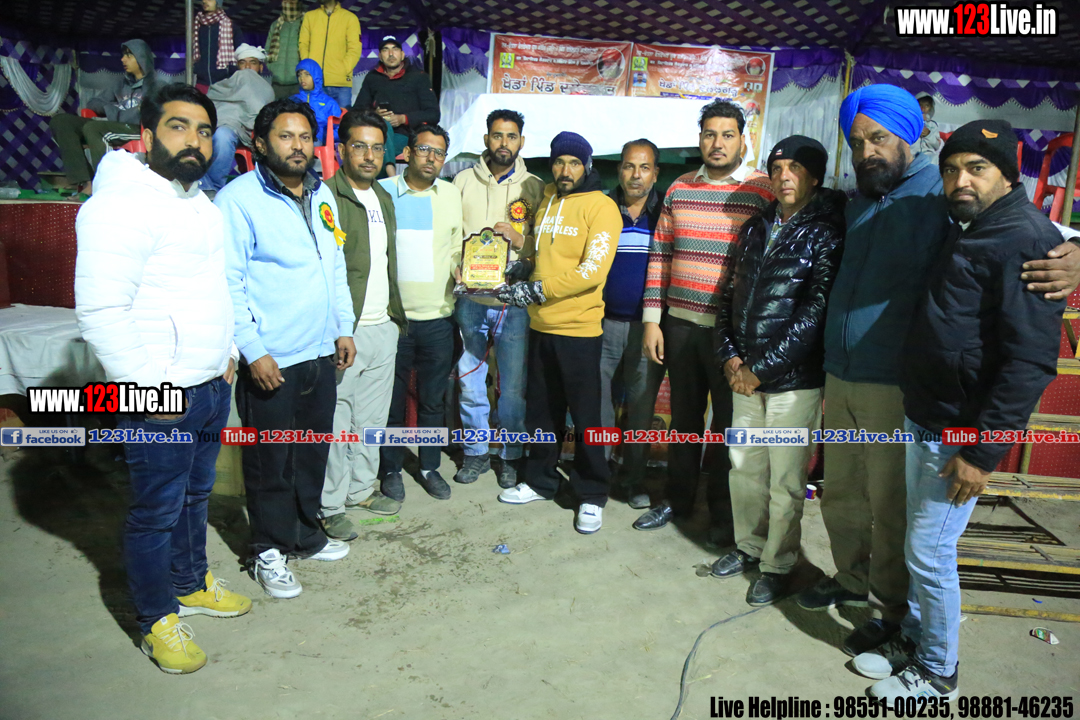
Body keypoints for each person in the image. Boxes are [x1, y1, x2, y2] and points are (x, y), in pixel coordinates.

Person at [798, 83, 1080, 661]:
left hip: (895, 383)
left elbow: (1027, 234)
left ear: (909, 136)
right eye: (857, 142)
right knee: (840, 492)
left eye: (879, 138)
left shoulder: (941, 195)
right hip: (841, 372)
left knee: (893, 509)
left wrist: (1077, 255)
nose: (868, 151)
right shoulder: (856, 199)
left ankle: (890, 609)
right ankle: (850, 580)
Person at [852, 120, 1067, 699]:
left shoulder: (1026, 239)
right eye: (951, 170)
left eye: (977, 169)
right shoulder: (973, 225)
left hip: (961, 434)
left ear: (1008, 175)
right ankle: (917, 640)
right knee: (919, 548)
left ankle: (938, 671)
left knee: (930, 551)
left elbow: (1029, 362)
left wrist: (982, 452)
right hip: (928, 415)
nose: (960, 181)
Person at [75, 83, 250, 674]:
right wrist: (150, 389)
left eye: (204, 131)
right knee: (155, 511)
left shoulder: (199, 203)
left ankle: (190, 582)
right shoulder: (121, 205)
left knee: (195, 496)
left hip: (209, 384)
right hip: (159, 394)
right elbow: (101, 312)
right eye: (178, 127)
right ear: (146, 136)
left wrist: (226, 352)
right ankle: (155, 619)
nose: (193, 141)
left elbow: (213, 288)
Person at [216, 98, 357, 599]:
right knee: (269, 461)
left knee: (311, 452)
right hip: (272, 358)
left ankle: (304, 535)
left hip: (319, 352)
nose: (297, 146)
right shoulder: (237, 200)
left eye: (304, 137)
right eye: (285, 136)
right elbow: (228, 282)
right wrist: (253, 350)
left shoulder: (322, 193)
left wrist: (343, 327)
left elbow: (333, 263)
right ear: (260, 143)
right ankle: (267, 549)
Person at [712, 136, 845, 607]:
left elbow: (816, 312)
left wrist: (761, 369)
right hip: (744, 377)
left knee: (786, 482)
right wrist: (730, 357)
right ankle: (749, 546)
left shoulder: (826, 232)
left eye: (795, 168)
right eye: (777, 167)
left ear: (815, 176)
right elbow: (729, 296)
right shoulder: (756, 226)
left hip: (793, 382)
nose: (784, 176)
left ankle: (777, 564)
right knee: (744, 468)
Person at [634, 99, 774, 541]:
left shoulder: (762, 190)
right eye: (710, 134)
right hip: (678, 325)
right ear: (700, 139)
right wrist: (652, 320)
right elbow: (660, 255)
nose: (718, 143)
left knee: (728, 427)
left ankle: (722, 516)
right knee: (684, 420)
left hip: (731, 335)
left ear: (742, 140)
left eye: (727, 135)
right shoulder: (679, 189)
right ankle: (676, 502)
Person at [495, 131, 622, 534]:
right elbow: (541, 249)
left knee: (585, 417)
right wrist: (525, 267)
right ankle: (540, 481)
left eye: (574, 163)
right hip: (540, 325)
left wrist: (538, 290)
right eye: (559, 162)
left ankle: (591, 494)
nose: (565, 170)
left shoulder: (602, 207)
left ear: (587, 166)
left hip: (579, 329)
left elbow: (592, 271)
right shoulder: (548, 196)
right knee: (542, 411)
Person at [318, 110, 407, 538]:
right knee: (338, 422)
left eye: (376, 148)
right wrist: (339, 328)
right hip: (345, 332)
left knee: (371, 421)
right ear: (341, 150)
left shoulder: (383, 197)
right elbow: (324, 269)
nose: (369, 156)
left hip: (382, 326)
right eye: (359, 146)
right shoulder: (326, 197)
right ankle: (330, 504)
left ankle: (360, 489)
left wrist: (392, 321)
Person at [451, 109, 545, 489]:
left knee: (512, 388)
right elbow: (450, 236)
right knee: (470, 382)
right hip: (471, 301)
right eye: (497, 135)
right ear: (486, 139)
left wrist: (521, 241)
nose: (503, 143)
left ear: (522, 141)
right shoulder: (462, 181)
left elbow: (546, 244)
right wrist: (455, 267)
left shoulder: (535, 186)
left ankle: (510, 455)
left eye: (511, 136)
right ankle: (475, 452)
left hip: (514, 304)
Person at [376, 123, 463, 507]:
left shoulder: (451, 194)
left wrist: (464, 268)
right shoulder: (382, 191)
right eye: (425, 149)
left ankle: (429, 466)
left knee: (432, 402)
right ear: (408, 153)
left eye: (439, 152)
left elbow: (457, 247)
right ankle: (391, 469)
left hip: (439, 318)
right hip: (393, 321)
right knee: (392, 404)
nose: (432, 158)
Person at [600, 138, 665, 510]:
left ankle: (635, 479)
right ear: (619, 170)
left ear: (655, 173)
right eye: (629, 166)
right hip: (603, 324)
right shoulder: (603, 209)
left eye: (644, 167)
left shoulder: (666, 213)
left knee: (641, 408)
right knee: (600, 405)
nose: (635, 175)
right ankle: (598, 477)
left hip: (648, 328)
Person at [50, 39, 158, 194]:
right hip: (114, 125)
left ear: (141, 58)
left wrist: (114, 112)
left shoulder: (156, 86)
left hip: (139, 129)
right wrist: (115, 111)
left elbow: (145, 114)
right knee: (62, 121)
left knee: (94, 128)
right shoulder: (120, 84)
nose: (123, 59)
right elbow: (93, 103)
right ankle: (85, 181)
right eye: (123, 55)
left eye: (129, 55)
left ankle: (105, 184)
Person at [353, 35, 439, 163]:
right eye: (385, 50)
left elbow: (433, 114)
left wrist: (403, 119)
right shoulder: (372, 78)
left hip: (407, 135)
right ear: (380, 56)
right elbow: (356, 111)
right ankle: (388, 170)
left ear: (402, 54)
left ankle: (388, 168)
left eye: (395, 49)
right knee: (371, 139)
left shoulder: (418, 77)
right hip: (376, 133)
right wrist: (374, 115)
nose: (391, 54)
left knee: (377, 148)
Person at [203, 44, 275, 193]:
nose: (247, 67)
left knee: (222, 136)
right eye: (243, 63)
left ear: (261, 67)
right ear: (237, 66)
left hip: (246, 132)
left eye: (252, 62)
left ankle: (214, 188)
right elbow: (211, 100)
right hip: (220, 124)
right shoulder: (228, 84)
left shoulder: (265, 88)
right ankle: (205, 186)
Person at [298, 0, 361, 109]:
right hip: (314, 83)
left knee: (342, 119)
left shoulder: (350, 18)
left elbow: (355, 48)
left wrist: (343, 70)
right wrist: (309, 69)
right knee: (313, 118)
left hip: (340, 85)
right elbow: (303, 44)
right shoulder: (309, 16)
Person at [291, 59, 342, 145]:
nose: (302, 78)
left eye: (307, 74)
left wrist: (324, 135)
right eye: (299, 75)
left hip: (317, 140)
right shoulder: (293, 100)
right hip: (295, 137)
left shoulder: (329, 103)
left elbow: (339, 129)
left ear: (316, 76)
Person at [192, 0, 237, 88]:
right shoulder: (197, 25)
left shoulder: (230, 25)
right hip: (202, 82)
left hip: (224, 83)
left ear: (218, 2)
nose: (204, 1)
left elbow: (240, 52)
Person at [266, 0, 304, 99]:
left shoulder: (306, 23)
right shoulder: (276, 25)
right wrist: (273, 68)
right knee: (277, 108)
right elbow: (268, 50)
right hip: (277, 83)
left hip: (299, 83)